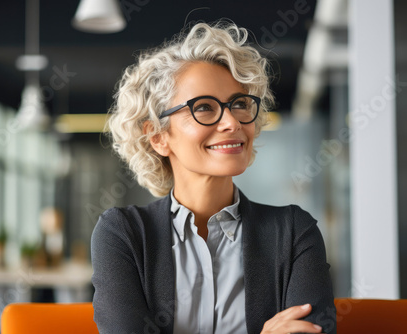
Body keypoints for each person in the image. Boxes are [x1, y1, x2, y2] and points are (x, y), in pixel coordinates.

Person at [91, 21, 336, 334]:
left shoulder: (293, 232)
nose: (232, 122)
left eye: (239, 104)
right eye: (204, 107)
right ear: (158, 137)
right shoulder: (123, 235)